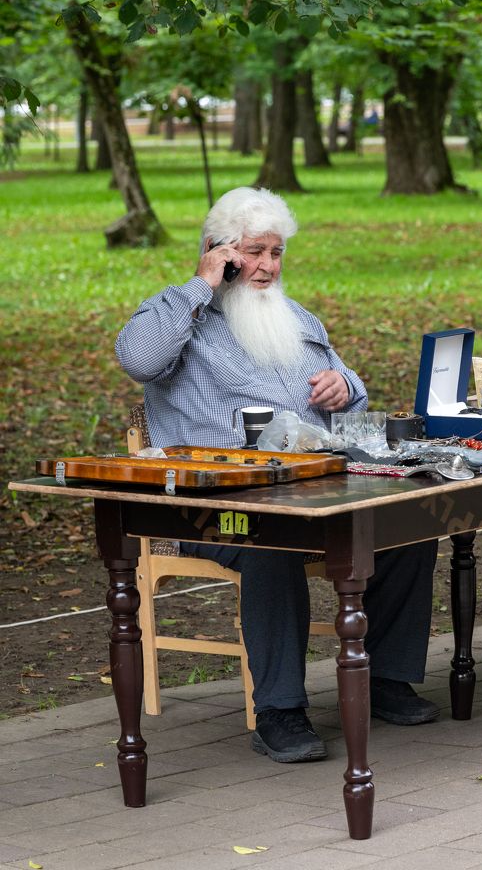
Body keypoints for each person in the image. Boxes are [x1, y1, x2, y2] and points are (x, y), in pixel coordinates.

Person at [116, 186, 439, 763]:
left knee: (407, 525)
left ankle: (388, 678)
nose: (267, 266)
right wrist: (201, 284)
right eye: (254, 252)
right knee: (270, 545)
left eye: (276, 252)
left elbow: (349, 386)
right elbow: (137, 359)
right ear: (221, 252)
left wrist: (347, 390)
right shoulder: (178, 315)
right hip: (211, 504)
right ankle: (281, 711)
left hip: (311, 490)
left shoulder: (294, 317)